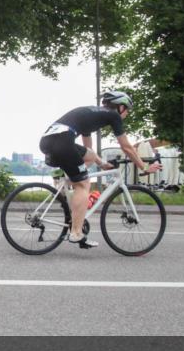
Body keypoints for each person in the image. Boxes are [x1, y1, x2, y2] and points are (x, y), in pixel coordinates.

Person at [39, 91, 162, 248]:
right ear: (121, 107)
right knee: (83, 185)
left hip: (48, 141)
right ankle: (76, 233)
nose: (127, 114)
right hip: (62, 143)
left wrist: (100, 162)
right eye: (128, 110)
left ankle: (65, 183)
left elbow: (88, 150)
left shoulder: (92, 114)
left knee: (89, 159)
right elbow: (126, 147)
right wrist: (143, 167)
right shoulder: (113, 115)